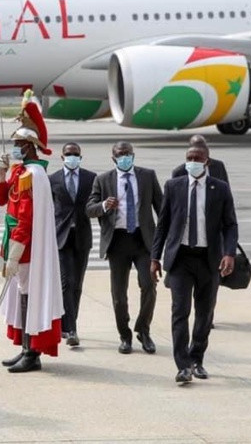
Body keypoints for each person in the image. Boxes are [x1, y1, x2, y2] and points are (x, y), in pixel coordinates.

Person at [151, 145, 237, 384]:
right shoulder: (174, 186)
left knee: (205, 312)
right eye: (189, 158)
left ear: (206, 161)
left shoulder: (219, 188)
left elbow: (230, 224)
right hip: (180, 259)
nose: (192, 162)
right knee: (180, 311)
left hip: (208, 259)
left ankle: (197, 358)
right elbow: (163, 224)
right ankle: (183, 366)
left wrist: (229, 253)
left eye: (197, 158)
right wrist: (155, 257)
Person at [0, 97, 64, 373]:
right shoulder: (20, 171)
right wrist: (0, 172)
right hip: (16, 242)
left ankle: (32, 353)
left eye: (19, 145)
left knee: (29, 295)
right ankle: (25, 347)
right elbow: (1, 199)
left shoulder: (32, 175)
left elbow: (26, 218)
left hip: (26, 247)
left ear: (30, 147)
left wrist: (15, 254)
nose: (15, 150)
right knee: (23, 295)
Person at [86, 141, 162, 355]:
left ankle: (143, 330)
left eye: (128, 154)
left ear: (133, 155)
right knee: (119, 294)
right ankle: (125, 335)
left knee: (149, 286)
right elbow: (89, 209)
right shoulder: (102, 180)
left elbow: (161, 208)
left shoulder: (147, 176)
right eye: (121, 155)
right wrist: (103, 206)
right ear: (114, 158)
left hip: (143, 240)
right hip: (117, 242)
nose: (125, 157)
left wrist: (163, 241)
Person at [49, 143, 96, 347]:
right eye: (68, 154)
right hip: (61, 238)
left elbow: (95, 205)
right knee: (66, 283)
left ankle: (70, 323)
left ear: (81, 157)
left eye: (75, 154)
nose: (72, 157)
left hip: (82, 237)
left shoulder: (91, 178)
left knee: (77, 285)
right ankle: (70, 328)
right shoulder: (53, 179)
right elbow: (49, 208)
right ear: (62, 157)